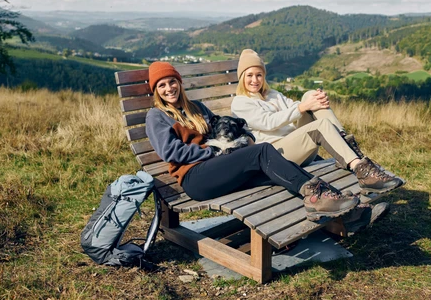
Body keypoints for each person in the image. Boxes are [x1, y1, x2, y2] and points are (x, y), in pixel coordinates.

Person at [144, 61, 361, 222]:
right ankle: (321, 197)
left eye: (172, 82)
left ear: (179, 83)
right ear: (156, 91)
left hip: (221, 169)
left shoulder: (198, 108)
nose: (169, 88)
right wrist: (212, 152)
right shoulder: (157, 116)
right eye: (162, 85)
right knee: (262, 151)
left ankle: (334, 203)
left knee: (279, 171)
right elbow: (170, 152)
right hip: (196, 177)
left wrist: (246, 137)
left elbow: (229, 127)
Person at [230, 49, 405, 196]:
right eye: (250, 75)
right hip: (277, 156)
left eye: (259, 75)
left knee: (310, 95)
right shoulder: (241, 102)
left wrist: (315, 101)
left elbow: (296, 106)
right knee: (318, 124)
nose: (255, 80)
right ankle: (360, 167)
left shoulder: (273, 94)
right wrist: (303, 107)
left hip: (299, 148)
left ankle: (350, 151)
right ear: (242, 78)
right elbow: (269, 122)